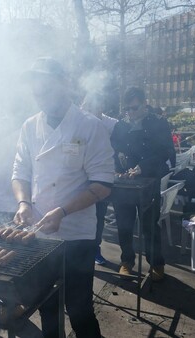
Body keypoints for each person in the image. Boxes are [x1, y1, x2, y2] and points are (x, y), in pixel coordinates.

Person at [13, 57, 114, 338]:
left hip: (77, 235)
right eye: (36, 88)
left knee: (80, 308)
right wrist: (23, 203)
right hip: (40, 236)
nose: (39, 93)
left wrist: (62, 212)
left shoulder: (89, 126)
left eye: (45, 86)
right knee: (48, 306)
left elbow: (103, 184)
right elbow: (19, 171)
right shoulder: (29, 126)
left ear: (65, 84)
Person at [110, 87, 175, 281]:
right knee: (124, 224)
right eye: (127, 109)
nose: (130, 113)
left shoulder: (159, 123)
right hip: (124, 184)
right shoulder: (121, 126)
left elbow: (166, 152)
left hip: (149, 182)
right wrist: (117, 161)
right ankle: (126, 261)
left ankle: (156, 263)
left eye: (134, 108)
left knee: (150, 225)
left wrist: (142, 167)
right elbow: (113, 148)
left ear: (145, 104)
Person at [82, 93, 119, 266]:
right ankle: (81, 251)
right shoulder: (76, 121)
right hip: (79, 179)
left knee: (98, 215)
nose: (88, 109)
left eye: (93, 106)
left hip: (100, 178)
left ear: (101, 108)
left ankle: (95, 250)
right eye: (86, 105)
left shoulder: (111, 124)